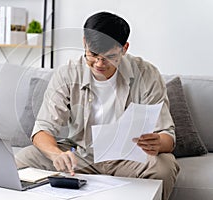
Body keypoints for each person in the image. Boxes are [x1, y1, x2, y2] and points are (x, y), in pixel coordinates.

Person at [15, 11, 179, 200]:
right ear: (85, 43)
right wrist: (56, 155)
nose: (99, 64)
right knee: (24, 159)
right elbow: (42, 130)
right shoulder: (67, 73)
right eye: (93, 55)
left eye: (109, 56)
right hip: (80, 154)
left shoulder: (147, 74)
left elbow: (168, 135)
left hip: (128, 158)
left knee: (164, 167)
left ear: (124, 48)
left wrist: (157, 143)